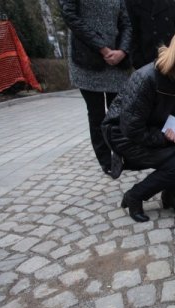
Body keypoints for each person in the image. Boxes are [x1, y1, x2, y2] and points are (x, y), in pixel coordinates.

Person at [101, 28, 175, 222]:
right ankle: (134, 196)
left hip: (157, 129)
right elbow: (131, 128)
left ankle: (170, 196)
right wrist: (164, 137)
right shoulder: (146, 78)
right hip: (123, 135)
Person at [59, 0, 132, 176]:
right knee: (97, 113)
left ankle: (121, 153)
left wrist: (122, 50)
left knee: (118, 112)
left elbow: (126, 23)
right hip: (87, 60)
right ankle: (106, 160)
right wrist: (102, 48)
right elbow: (70, 16)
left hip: (116, 60)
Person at [125, 0, 175, 69]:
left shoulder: (170, 3)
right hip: (148, 63)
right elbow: (131, 36)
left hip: (172, 63)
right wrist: (140, 64)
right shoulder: (132, 3)